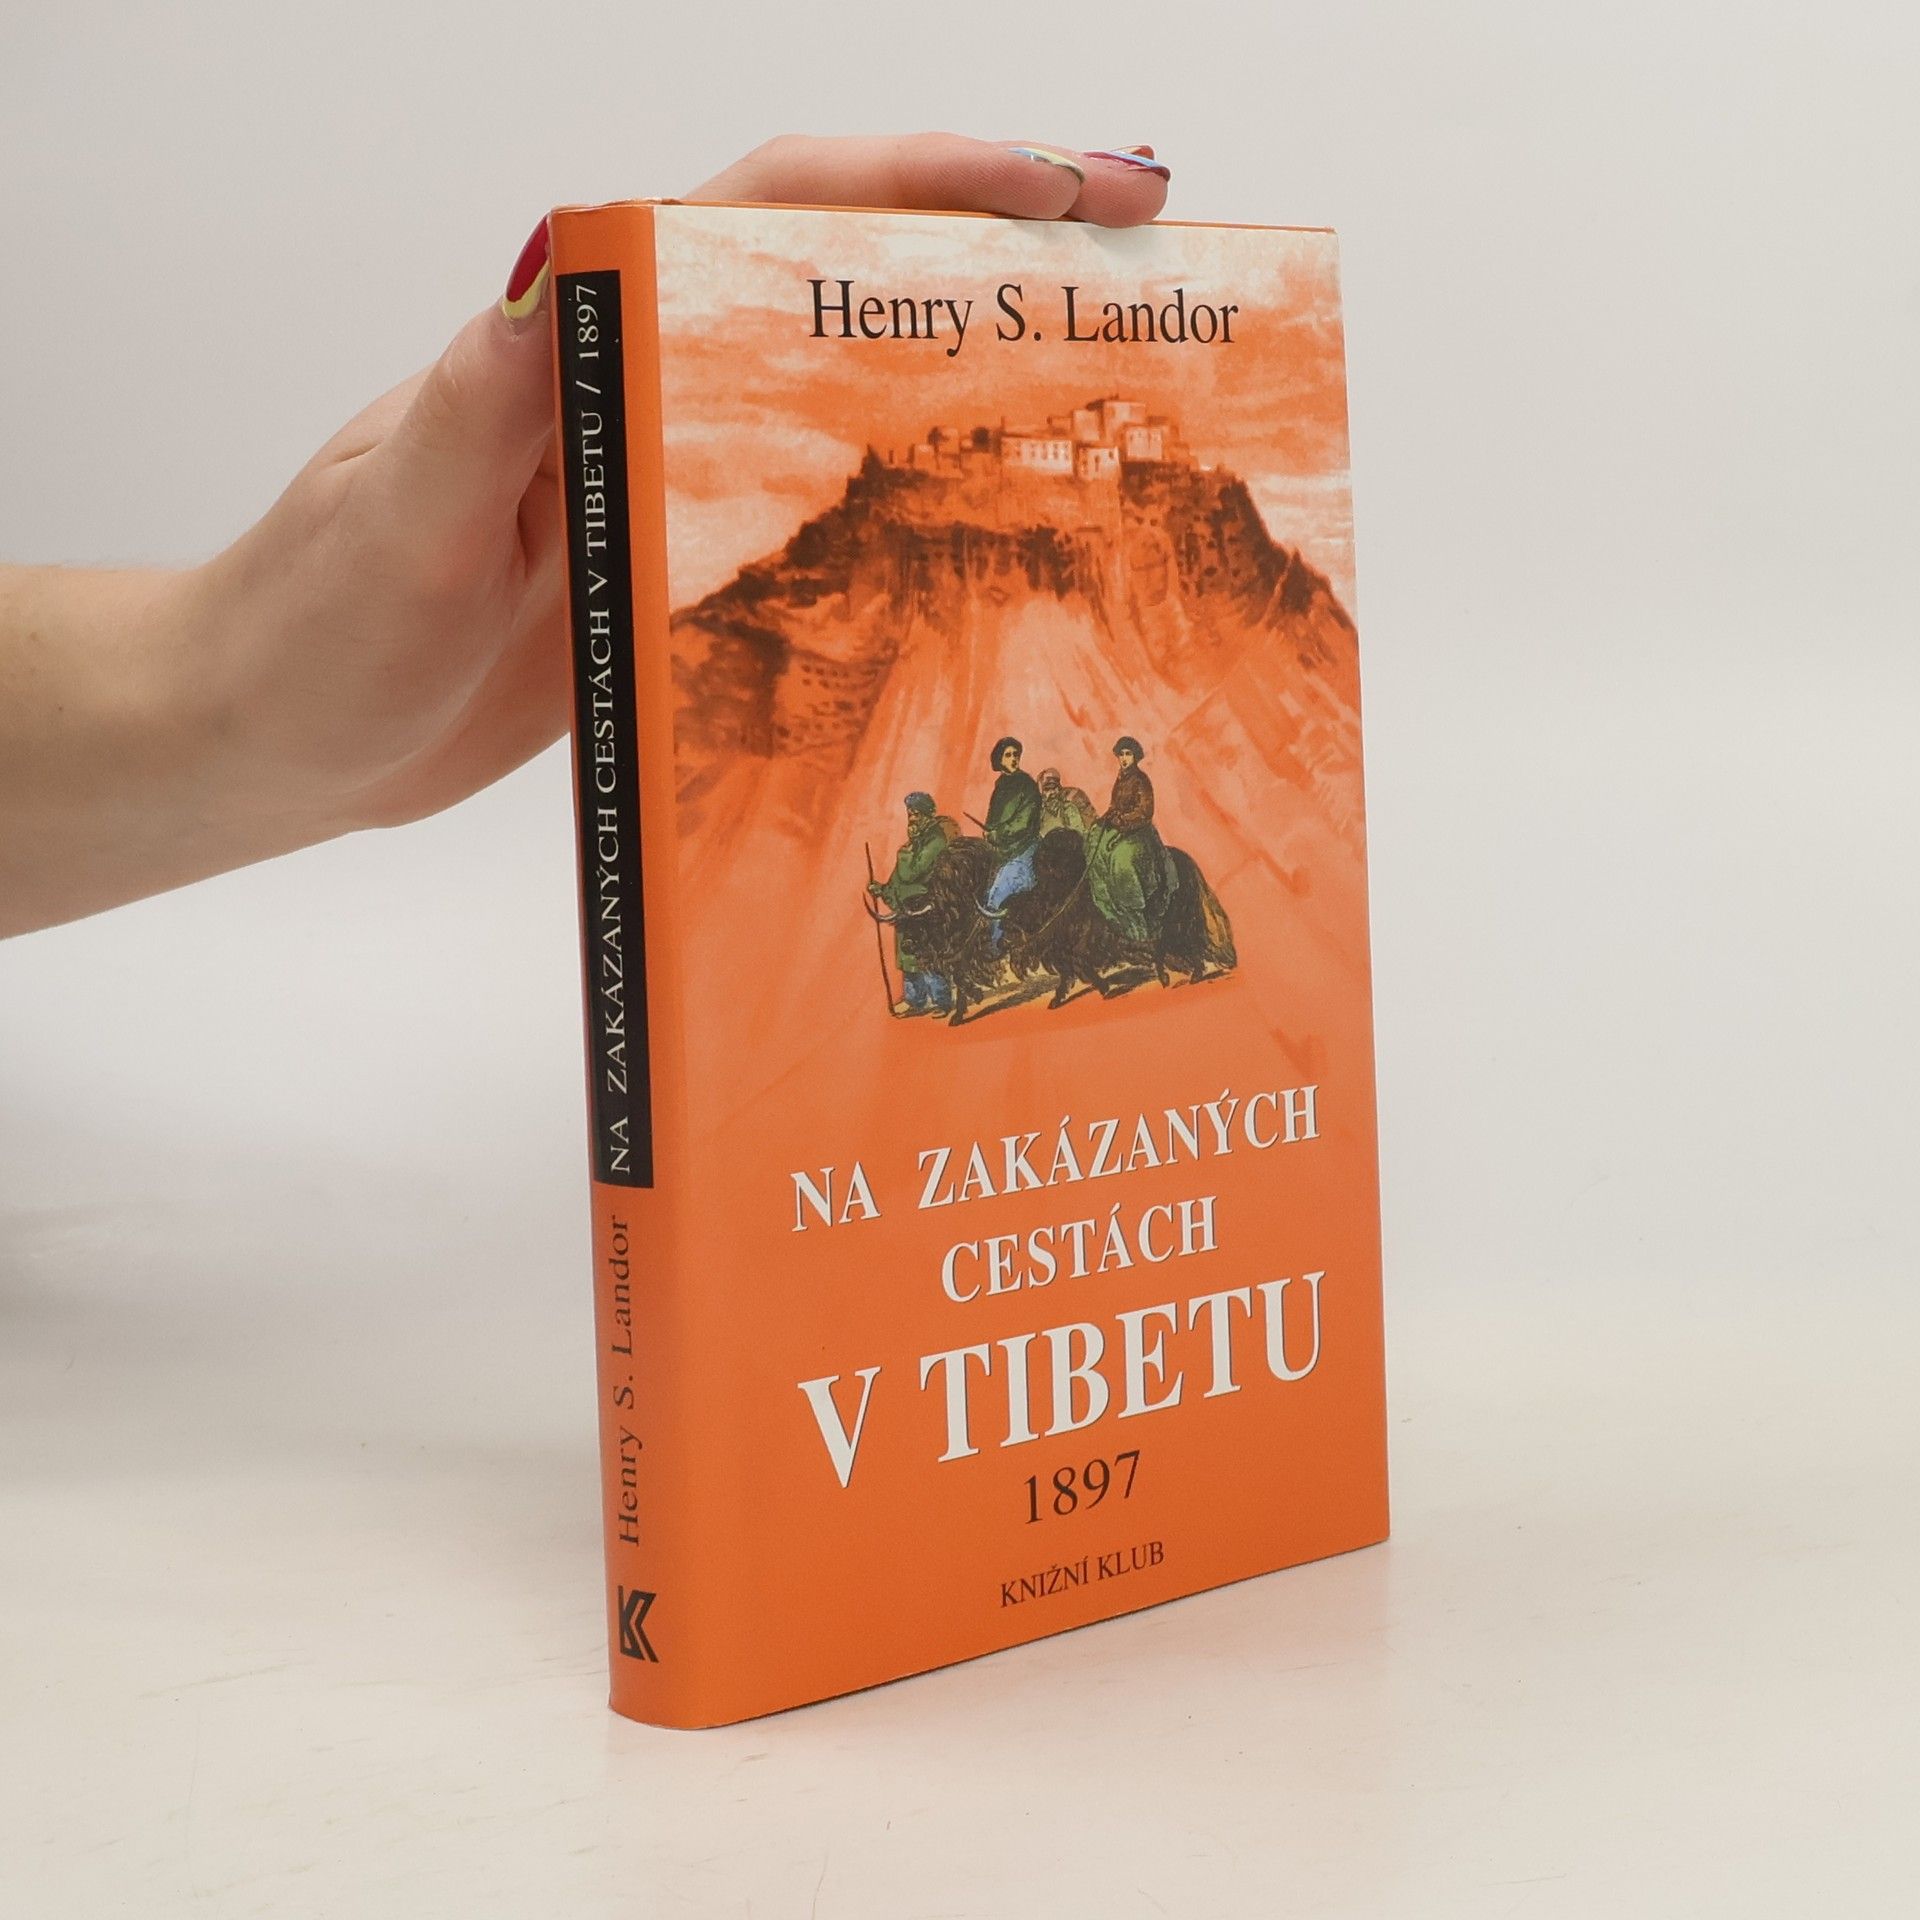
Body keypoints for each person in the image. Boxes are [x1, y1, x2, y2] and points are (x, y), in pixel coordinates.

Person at [0, 133, 1170, 941]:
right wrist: (218, 696)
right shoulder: (993, 790)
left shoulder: (1084, 796)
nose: (1000, 774)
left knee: (1053, 872)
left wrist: (214, 695)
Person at [869, 792, 960, 1015]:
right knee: (907, 955)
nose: (912, 819)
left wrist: (907, 849)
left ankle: (941, 1001)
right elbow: (898, 879)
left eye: (917, 814)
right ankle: (915, 1001)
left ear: (928, 815)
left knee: (928, 954)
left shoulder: (936, 840)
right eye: (910, 814)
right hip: (907, 910)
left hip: (927, 907)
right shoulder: (916, 842)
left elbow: (912, 872)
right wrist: (882, 889)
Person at [1086, 734, 1178, 943]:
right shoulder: (1121, 779)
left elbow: (1144, 812)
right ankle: (1110, 906)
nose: (1124, 758)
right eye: (1121, 755)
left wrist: (1121, 821)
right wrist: (1105, 820)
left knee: (1121, 859)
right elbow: (1114, 806)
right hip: (1120, 827)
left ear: (1135, 756)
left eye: (1128, 754)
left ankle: (1134, 907)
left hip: (1140, 831)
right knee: (1094, 846)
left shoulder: (1141, 780)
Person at [980, 736, 1043, 947]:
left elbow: (1023, 823)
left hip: (1024, 850)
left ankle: (995, 948)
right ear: (999, 760)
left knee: (998, 896)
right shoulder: (1001, 787)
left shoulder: (1027, 785)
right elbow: (992, 820)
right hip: (1002, 852)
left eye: (1016, 754)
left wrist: (998, 834)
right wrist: (989, 833)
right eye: (1008, 755)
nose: (1014, 759)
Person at [1037, 767, 1096, 837]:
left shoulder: (1067, 808)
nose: (1052, 792)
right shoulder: (1039, 810)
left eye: (1054, 788)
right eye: (1047, 789)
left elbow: (1078, 834)